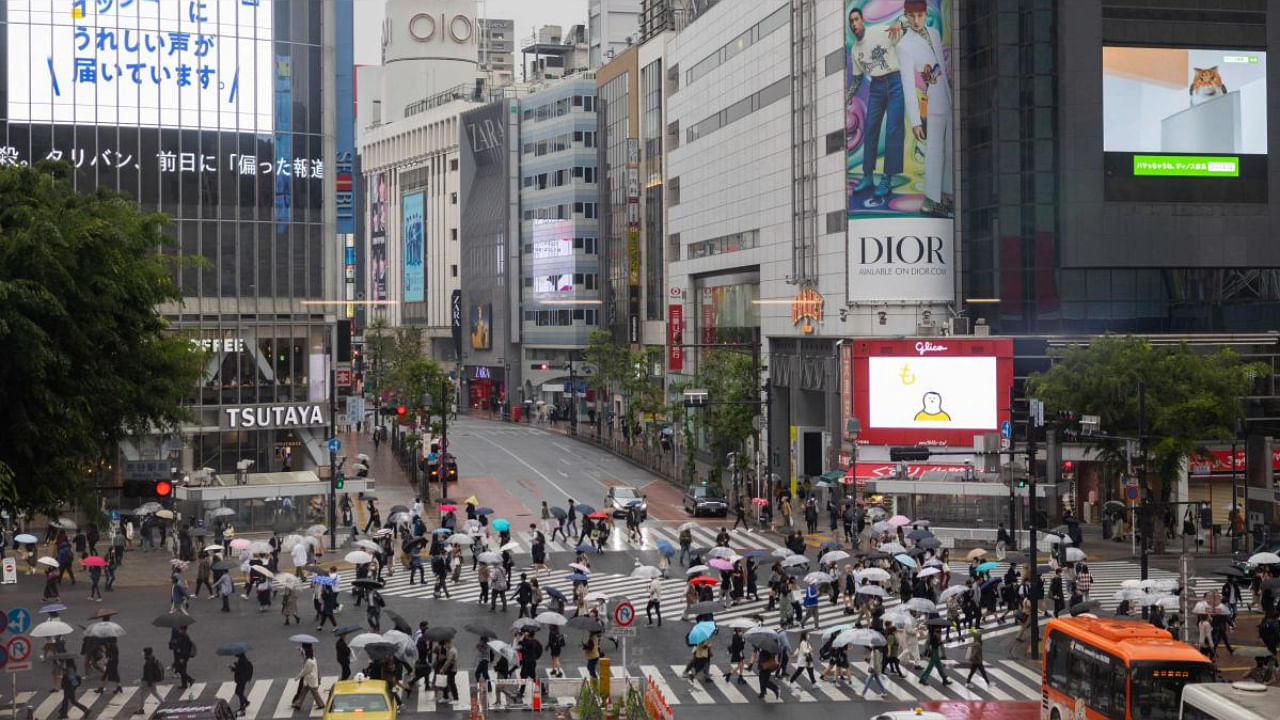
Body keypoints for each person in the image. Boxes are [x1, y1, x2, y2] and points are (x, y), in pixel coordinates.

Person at [895, 0, 953, 216]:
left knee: (949, 150)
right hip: (932, 101)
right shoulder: (904, 46)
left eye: (919, 15)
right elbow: (908, 85)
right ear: (906, 15)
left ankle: (945, 195)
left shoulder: (934, 33)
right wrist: (916, 121)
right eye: (912, 16)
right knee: (935, 152)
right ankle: (930, 199)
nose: (916, 20)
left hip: (946, 97)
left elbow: (940, 66)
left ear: (925, 14)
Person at [847, 6, 907, 204]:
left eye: (856, 19)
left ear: (862, 20)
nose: (854, 24)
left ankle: (887, 178)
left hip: (894, 82)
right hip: (876, 87)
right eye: (851, 22)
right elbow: (856, 80)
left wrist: (900, 24)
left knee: (893, 129)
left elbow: (904, 25)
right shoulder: (856, 51)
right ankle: (867, 176)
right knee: (871, 129)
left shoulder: (878, 32)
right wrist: (847, 96)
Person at [130, 647, 166, 715]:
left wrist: (146, 682)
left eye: (143, 652)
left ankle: (141, 709)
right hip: (151, 681)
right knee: (155, 693)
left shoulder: (148, 661)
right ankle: (164, 703)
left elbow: (149, 673)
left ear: (146, 653)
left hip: (148, 682)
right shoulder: (152, 658)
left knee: (142, 695)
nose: (142, 653)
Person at [291, 644, 325, 711]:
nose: (304, 652)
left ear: (307, 653)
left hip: (310, 680)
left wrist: (297, 677)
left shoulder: (309, 662)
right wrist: (300, 650)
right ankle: (298, 704)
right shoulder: (313, 658)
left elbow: (305, 671)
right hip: (310, 679)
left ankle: (321, 704)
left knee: (314, 693)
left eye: (305, 651)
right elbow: (304, 656)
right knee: (304, 692)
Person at [230, 651, 253, 717]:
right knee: (239, 692)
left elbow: (240, 670)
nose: (235, 654)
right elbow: (240, 669)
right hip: (242, 679)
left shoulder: (242, 661)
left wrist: (234, 667)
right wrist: (236, 666)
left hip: (242, 680)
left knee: (239, 692)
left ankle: (243, 706)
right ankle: (245, 702)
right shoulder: (242, 660)